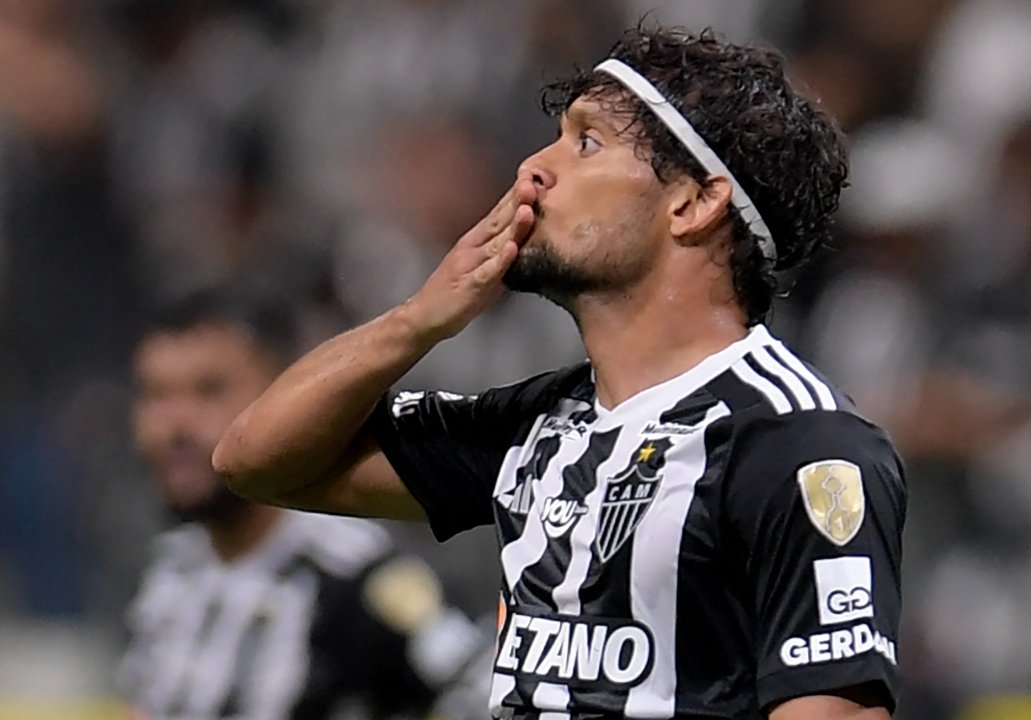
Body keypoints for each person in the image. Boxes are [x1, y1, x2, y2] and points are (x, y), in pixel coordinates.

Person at [215, 26, 906, 720]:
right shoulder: (541, 425)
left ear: (694, 204)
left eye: (586, 142)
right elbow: (256, 460)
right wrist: (418, 319)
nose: (533, 171)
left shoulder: (797, 445)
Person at [121, 286, 491, 719]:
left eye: (209, 390)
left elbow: (487, 692)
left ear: (281, 403)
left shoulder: (359, 577)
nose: (174, 425)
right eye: (156, 394)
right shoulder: (173, 571)